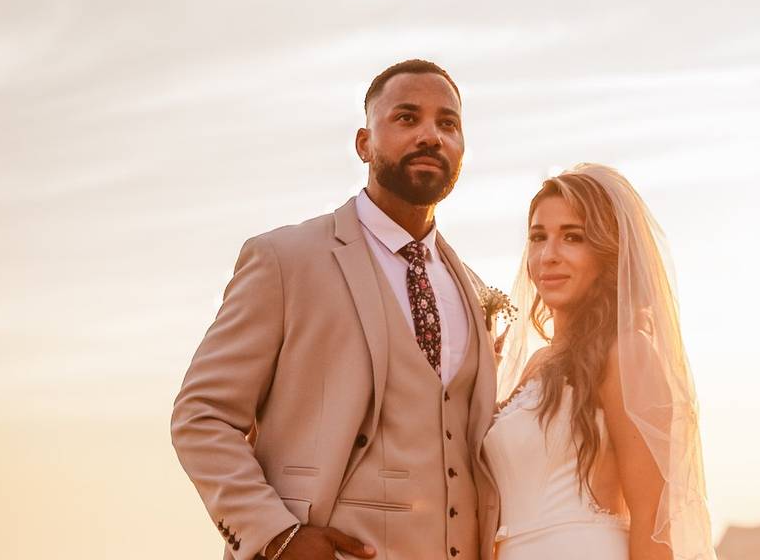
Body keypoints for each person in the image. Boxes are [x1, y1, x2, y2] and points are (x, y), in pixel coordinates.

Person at [171, 59, 499, 560]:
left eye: (447, 123)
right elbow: (202, 414)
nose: (430, 136)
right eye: (407, 118)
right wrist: (277, 535)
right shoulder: (287, 259)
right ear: (364, 143)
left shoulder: (468, 286)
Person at [485, 163, 716, 560]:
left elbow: (653, 520)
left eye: (572, 237)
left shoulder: (627, 352)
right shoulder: (537, 364)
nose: (549, 255)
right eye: (538, 238)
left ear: (607, 252)